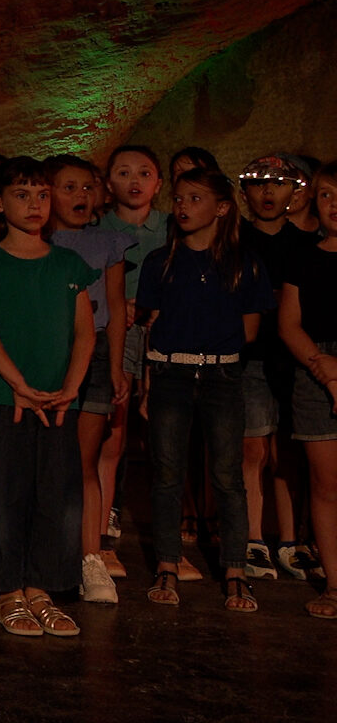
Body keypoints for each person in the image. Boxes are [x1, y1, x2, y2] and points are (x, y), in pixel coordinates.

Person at [0, 157, 97, 636]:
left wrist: (71, 388)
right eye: (22, 195)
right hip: (8, 396)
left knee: (56, 493)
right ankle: (7, 588)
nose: (35, 204)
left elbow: (85, 334)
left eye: (42, 194)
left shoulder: (69, 264)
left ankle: (43, 586)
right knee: (4, 490)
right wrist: (18, 383)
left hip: (60, 398)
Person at [138, 168, 272, 612]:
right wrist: (147, 382)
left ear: (221, 207)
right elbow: (150, 324)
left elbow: (250, 330)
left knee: (227, 477)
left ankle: (236, 571)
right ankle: (167, 565)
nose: (182, 206)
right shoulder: (161, 261)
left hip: (222, 376)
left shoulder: (245, 263)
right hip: (171, 374)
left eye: (195, 199)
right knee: (168, 473)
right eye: (178, 198)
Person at [40, 156, 131, 601]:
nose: (80, 196)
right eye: (68, 187)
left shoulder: (107, 243)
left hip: (93, 353)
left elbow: (114, 308)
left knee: (84, 459)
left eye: (86, 188)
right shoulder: (35, 242)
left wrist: (115, 366)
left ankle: (90, 557)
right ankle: (46, 553)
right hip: (48, 354)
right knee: (44, 456)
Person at [237, 154, 314, 579]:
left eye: (278, 183)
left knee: (288, 450)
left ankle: (290, 540)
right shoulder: (234, 240)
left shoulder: (305, 245)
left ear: (294, 191)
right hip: (248, 355)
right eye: (258, 183)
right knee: (252, 449)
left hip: (292, 358)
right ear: (244, 191)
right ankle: (251, 538)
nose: (268, 192)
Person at [98, 144, 167, 556]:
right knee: (114, 426)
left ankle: (167, 531)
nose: (134, 180)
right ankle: (105, 516)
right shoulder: (99, 227)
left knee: (163, 428)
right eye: (123, 173)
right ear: (108, 184)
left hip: (164, 333)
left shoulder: (170, 226)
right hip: (117, 331)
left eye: (144, 172)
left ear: (158, 183)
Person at [276, 162, 337, 617]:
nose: (334, 205)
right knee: (325, 484)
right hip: (316, 368)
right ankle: (335, 585)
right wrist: (327, 371)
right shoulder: (303, 256)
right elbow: (289, 324)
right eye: (326, 195)